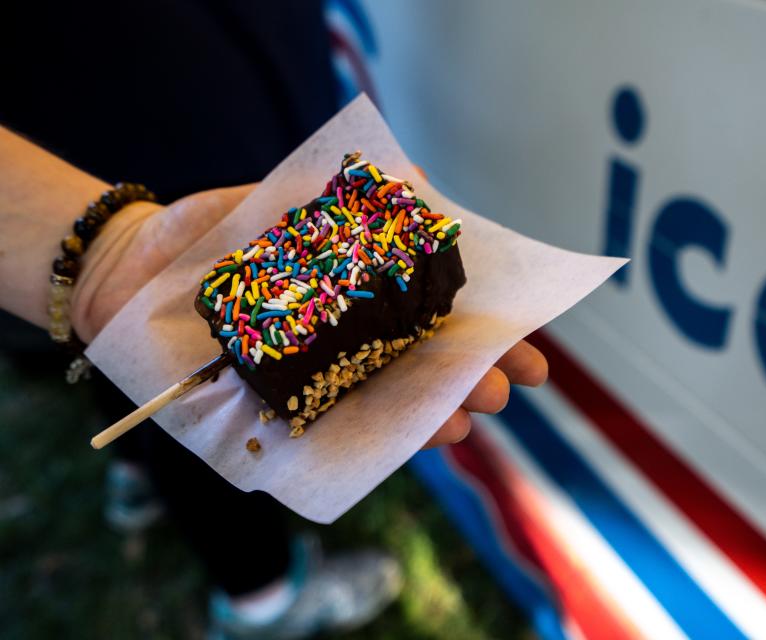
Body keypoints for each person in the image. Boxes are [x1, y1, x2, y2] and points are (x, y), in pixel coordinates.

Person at [0, 3, 548, 638]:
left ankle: (141, 469)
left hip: (153, 69)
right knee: (160, 352)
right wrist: (99, 267)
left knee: (125, 324)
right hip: (142, 73)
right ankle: (257, 592)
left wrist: (98, 261)